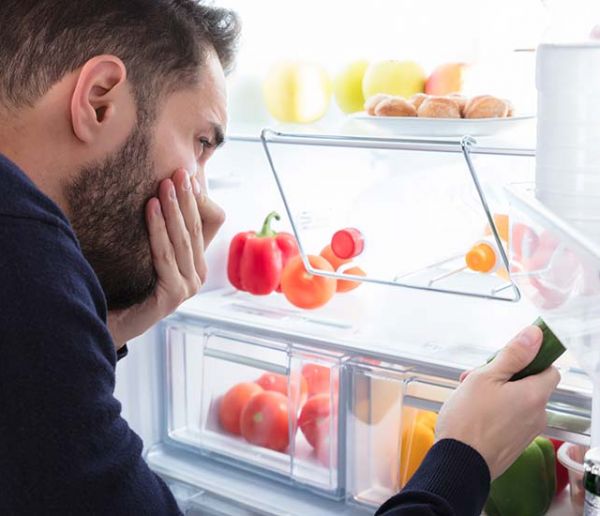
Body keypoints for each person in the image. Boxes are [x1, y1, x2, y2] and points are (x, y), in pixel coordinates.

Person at [0, 1, 560, 515]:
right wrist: (465, 457)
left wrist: (113, 325)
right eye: (201, 143)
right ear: (100, 100)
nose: (205, 197)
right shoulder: (27, 265)